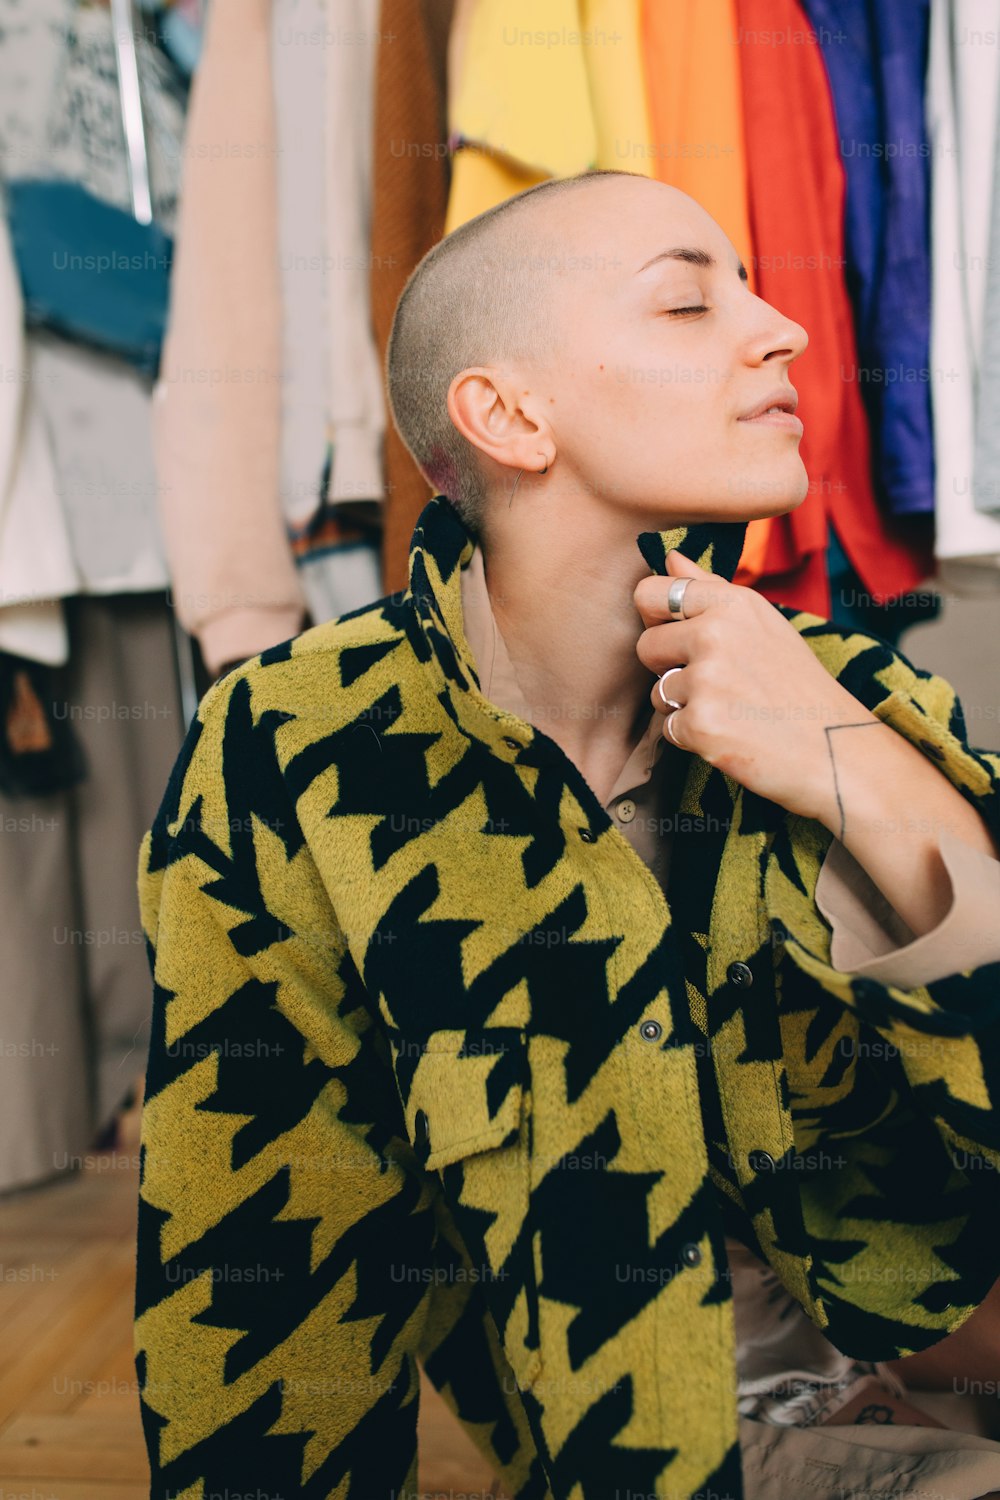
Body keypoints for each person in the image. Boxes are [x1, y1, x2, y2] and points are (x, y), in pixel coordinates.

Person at [133, 170, 1000, 1500]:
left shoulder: (850, 685)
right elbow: (261, 1252)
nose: (786, 330)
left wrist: (850, 764)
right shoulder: (298, 746)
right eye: (688, 301)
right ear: (507, 413)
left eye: (755, 290)